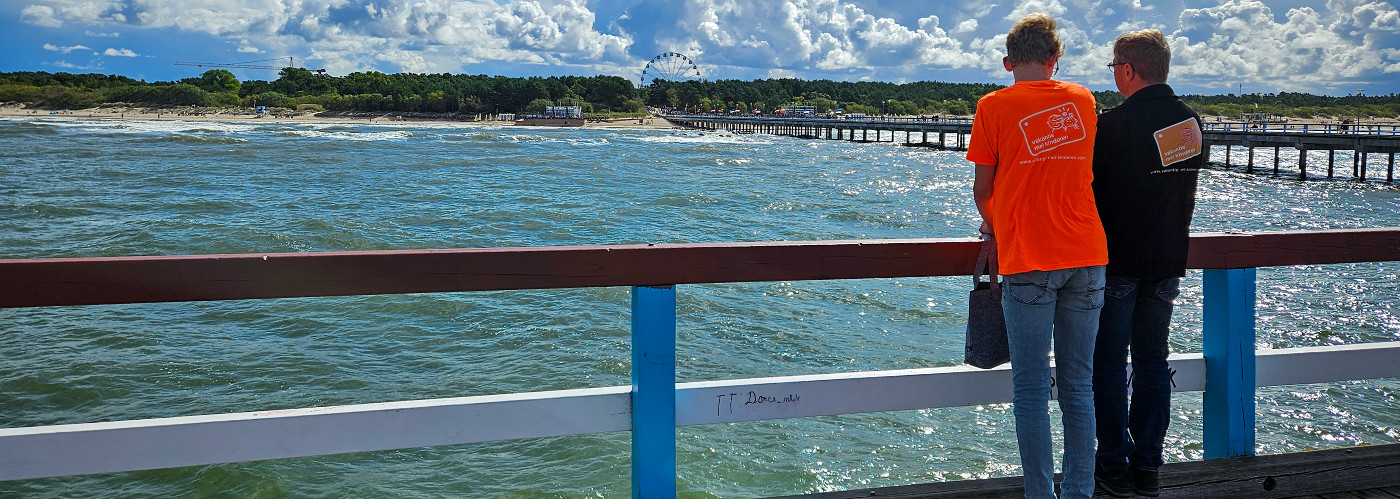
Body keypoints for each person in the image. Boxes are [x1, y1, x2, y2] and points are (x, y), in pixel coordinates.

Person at [966, 13, 1108, 499]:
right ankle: (1081, 493)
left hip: (1029, 257)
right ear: (1055, 58)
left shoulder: (992, 106)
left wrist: (995, 224)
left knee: (1030, 390)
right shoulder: (1082, 99)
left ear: (1008, 62)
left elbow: (983, 188)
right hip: (1088, 254)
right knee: (1078, 387)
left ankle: (1039, 494)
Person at [1090, 29, 1203, 498]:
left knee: (1110, 365)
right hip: (1166, 262)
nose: (1114, 75)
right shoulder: (1189, 121)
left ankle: (1112, 465)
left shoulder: (1114, 125)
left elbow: (1089, 192)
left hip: (1118, 262)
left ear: (1129, 69)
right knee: (1154, 363)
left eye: (1114, 67)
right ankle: (1149, 467)